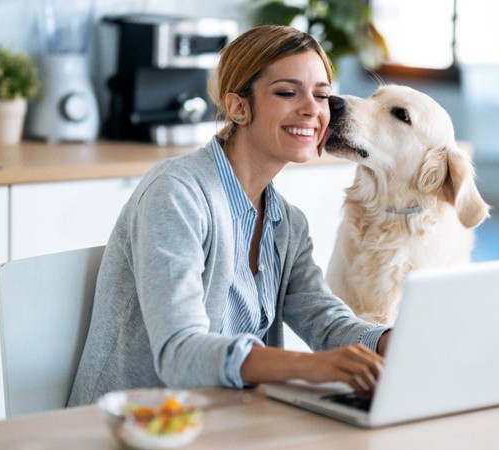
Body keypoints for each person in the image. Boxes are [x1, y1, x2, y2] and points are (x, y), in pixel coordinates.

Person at [67, 25, 390, 407]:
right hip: (136, 436)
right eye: (288, 92)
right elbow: (180, 352)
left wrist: (393, 340)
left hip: (230, 429)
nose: (311, 109)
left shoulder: (287, 223)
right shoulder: (177, 193)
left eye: (321, 96)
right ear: (238, 107)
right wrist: (310, 366)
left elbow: (328, 322)